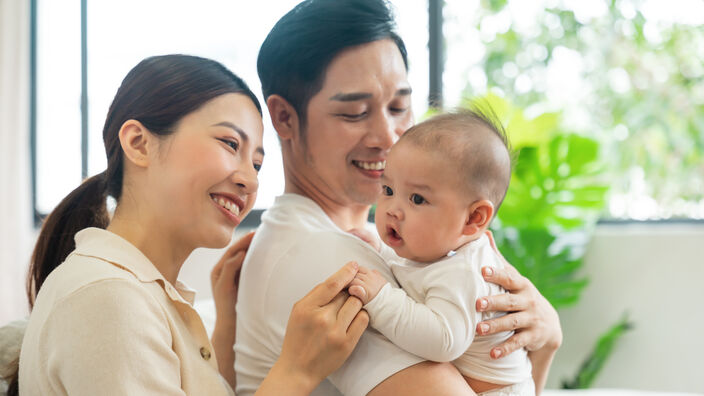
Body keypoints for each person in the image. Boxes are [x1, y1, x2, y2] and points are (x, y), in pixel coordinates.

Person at [234, 0, 562, 395]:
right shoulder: (328, 261)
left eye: (399, 107)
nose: (388, 137)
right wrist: (539, 354)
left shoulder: (390, 242)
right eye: (355, 112)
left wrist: (544, 341)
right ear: (285, 117)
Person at [15, 54, 369, 396]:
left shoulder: (136, 295)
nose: (250, 180)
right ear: (139, 143)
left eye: (258, 165)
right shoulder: (108, 298)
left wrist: (227, 328)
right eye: (230, 144)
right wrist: (297, 371)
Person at [345, 110, 534, 395]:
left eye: (417, 198)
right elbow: (416, 266)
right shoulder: (439, 247)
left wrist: (382, 298)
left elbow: (444, 340)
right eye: (388, 189)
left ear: (473, 219)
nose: (392, 209)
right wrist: (382, 249)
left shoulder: (464, 271)